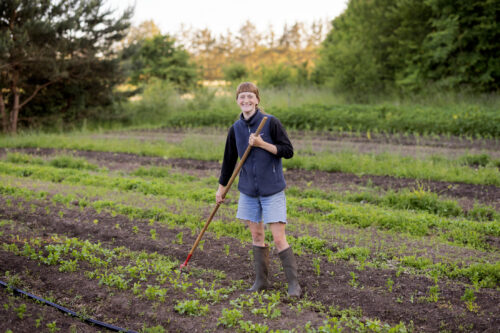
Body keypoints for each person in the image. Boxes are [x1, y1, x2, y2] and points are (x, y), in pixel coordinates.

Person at [216, 82, 301, 297]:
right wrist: (221, 189)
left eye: (250, 96)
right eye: (242, 97)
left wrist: (263, 145)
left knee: (278, 237)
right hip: (248, 191)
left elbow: (288, 151)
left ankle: (294, 285)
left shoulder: (270, 123)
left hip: (272, 189)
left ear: (257, 100)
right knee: (256, 235)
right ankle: (261, 282)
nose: (246, 100)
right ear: (237, 101)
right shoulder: (235, 129)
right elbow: (228, 161)